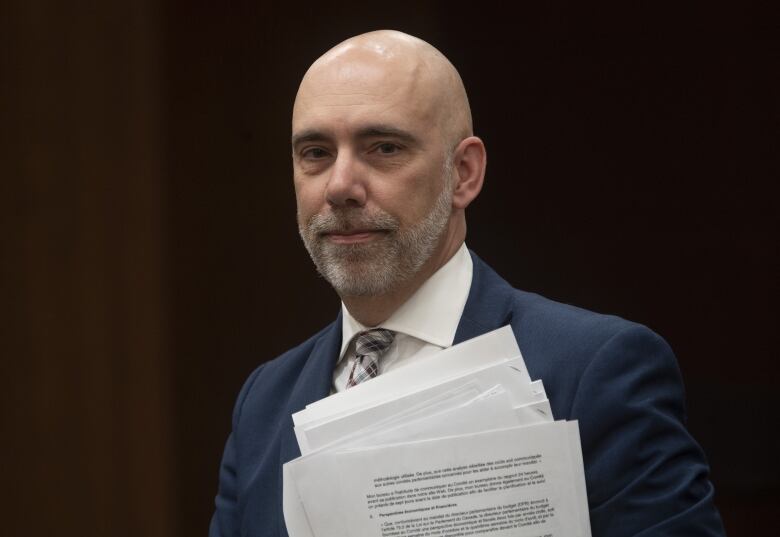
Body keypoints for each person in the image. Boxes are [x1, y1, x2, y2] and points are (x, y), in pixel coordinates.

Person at [209, 30, 725, 537]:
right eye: (316, 153)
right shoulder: (263, 402)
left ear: (464, 173)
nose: (341, 185)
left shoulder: (597, 370)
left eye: (384, 147)